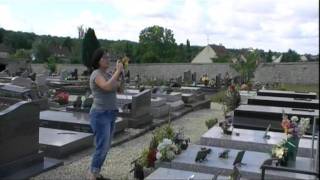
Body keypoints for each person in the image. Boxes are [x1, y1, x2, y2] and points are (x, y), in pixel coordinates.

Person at [88, 48, 123, 180]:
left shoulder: (108, 74)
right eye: (105, 58)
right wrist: (118, 71)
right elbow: (107, 87)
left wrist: (121, 74)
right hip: (100, 114)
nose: (108, 60)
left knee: (106, 146)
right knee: (102, 146)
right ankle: (92, 174)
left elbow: (120, 89)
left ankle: (96, 173)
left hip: (111, 113)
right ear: (98, 60)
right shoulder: (96, 74)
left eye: (108, 57)